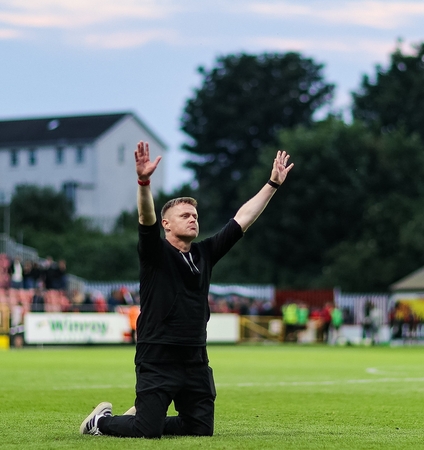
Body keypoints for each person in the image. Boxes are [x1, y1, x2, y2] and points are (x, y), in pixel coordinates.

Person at [80, 141, 293, 438]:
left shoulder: (204, 253)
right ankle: (100, 422)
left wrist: (272, 184)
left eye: (195, 215)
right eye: (185, 215)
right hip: (158, 356)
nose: (193, 219)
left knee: (200, 430)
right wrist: (143, 182)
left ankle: (145, 417)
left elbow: (242, 219)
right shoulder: (155, 253)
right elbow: (145, 219)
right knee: (146, 432)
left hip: (195, 357)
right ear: (166, 224)